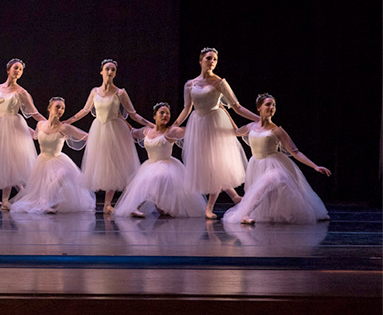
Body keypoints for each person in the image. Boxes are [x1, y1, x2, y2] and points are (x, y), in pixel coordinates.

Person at [172, 47, 259, 219]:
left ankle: (212, 207)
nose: (212, 62)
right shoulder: (190, 84)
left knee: (217, 165)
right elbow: (187, 108)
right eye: (208, 58)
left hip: (215, 123)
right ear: (200, 61)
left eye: (215, 60)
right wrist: (174, 125)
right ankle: (234, 198)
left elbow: (237, 107)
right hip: (198, 125)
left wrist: (259, 119)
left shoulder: (219, 82)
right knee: (207, 166)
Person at [222, 94, 331, 225]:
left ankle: (245, 214)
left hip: (275, 165)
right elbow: (236, 131)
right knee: (265, 194)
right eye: (268, 104)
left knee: (267, 183)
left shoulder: (277, 130)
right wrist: (224, 113)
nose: (271, 107)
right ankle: (264, 214)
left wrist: (314, 166)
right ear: (259, 108)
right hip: (256, 165)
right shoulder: (251, 127)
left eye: (274, 105)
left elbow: (295, 152)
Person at [63, 59, 152, 213]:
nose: (110, 72)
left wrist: (152, 125)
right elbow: (84, 111)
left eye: (112, 70)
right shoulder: (94, 92)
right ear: (101, 71)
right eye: (107, 69)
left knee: (116, 164)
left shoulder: (120, 93)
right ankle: (103, 203)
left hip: (116, 129)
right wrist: (68, 121)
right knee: (103, 165)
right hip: (99, 129)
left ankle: (112, 204)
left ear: (115, 73)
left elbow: (133, 114)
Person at [112, 102, 207, 218]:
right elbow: (133, 132)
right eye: (162, 113)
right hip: (150, 165)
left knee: (158, 177)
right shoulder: (147, 131)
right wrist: (121, 119)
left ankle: (155, 206)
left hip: (167, 165)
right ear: (154, 116)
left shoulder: (171, 131)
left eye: (167, 113)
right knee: (147, 179)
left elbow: (187, 127)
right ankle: (142, 206)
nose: (165, 115)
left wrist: (197, 115)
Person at [0, 58, 45, 207]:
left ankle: (6, 199)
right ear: (8, 70)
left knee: (11, 161)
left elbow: (35, 113)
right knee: (2, 161)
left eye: (20, 69)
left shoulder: (22, 92)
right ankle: (21, 193)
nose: (18, 71)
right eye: (15, 68)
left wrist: (50, 123)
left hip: (13, 127)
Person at [11, 97, 97, 215]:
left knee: (63, 173)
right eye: (57, 107)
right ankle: (44, 201)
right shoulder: (40, 124)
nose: (60, 110)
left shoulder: (64, 128)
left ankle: (45, 201)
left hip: (58, 160)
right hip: (42, 161)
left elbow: (85, 136)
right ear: (49, 108)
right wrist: (20, 127)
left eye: (62, 108)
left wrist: (101, 136)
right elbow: (35, 136)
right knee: (44, 183)